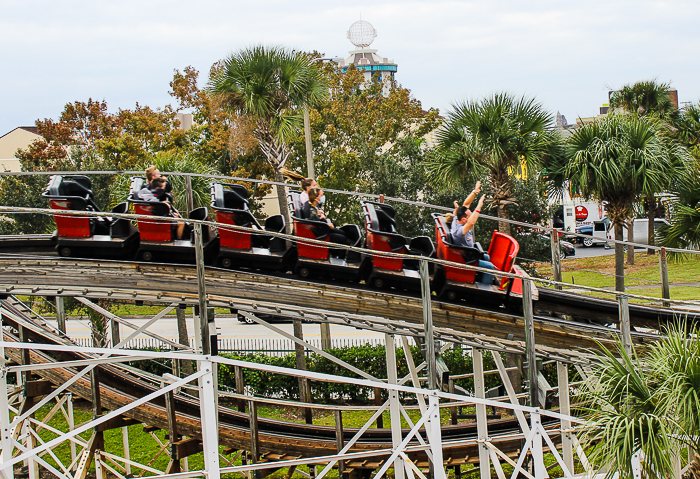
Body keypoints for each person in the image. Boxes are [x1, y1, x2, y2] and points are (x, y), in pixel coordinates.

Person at [452, 194, 496, 285]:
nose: (472, 216)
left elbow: (466, 204)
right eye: (470, 215)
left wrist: (475, 192)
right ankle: (486, 289)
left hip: (468, 253)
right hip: (465, 258)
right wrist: (479, 205)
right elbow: (471, 222)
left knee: (487, 257)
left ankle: (482, 277)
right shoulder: (459, 231)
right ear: (464, 219)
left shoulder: (457, 218)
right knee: (490, 266)